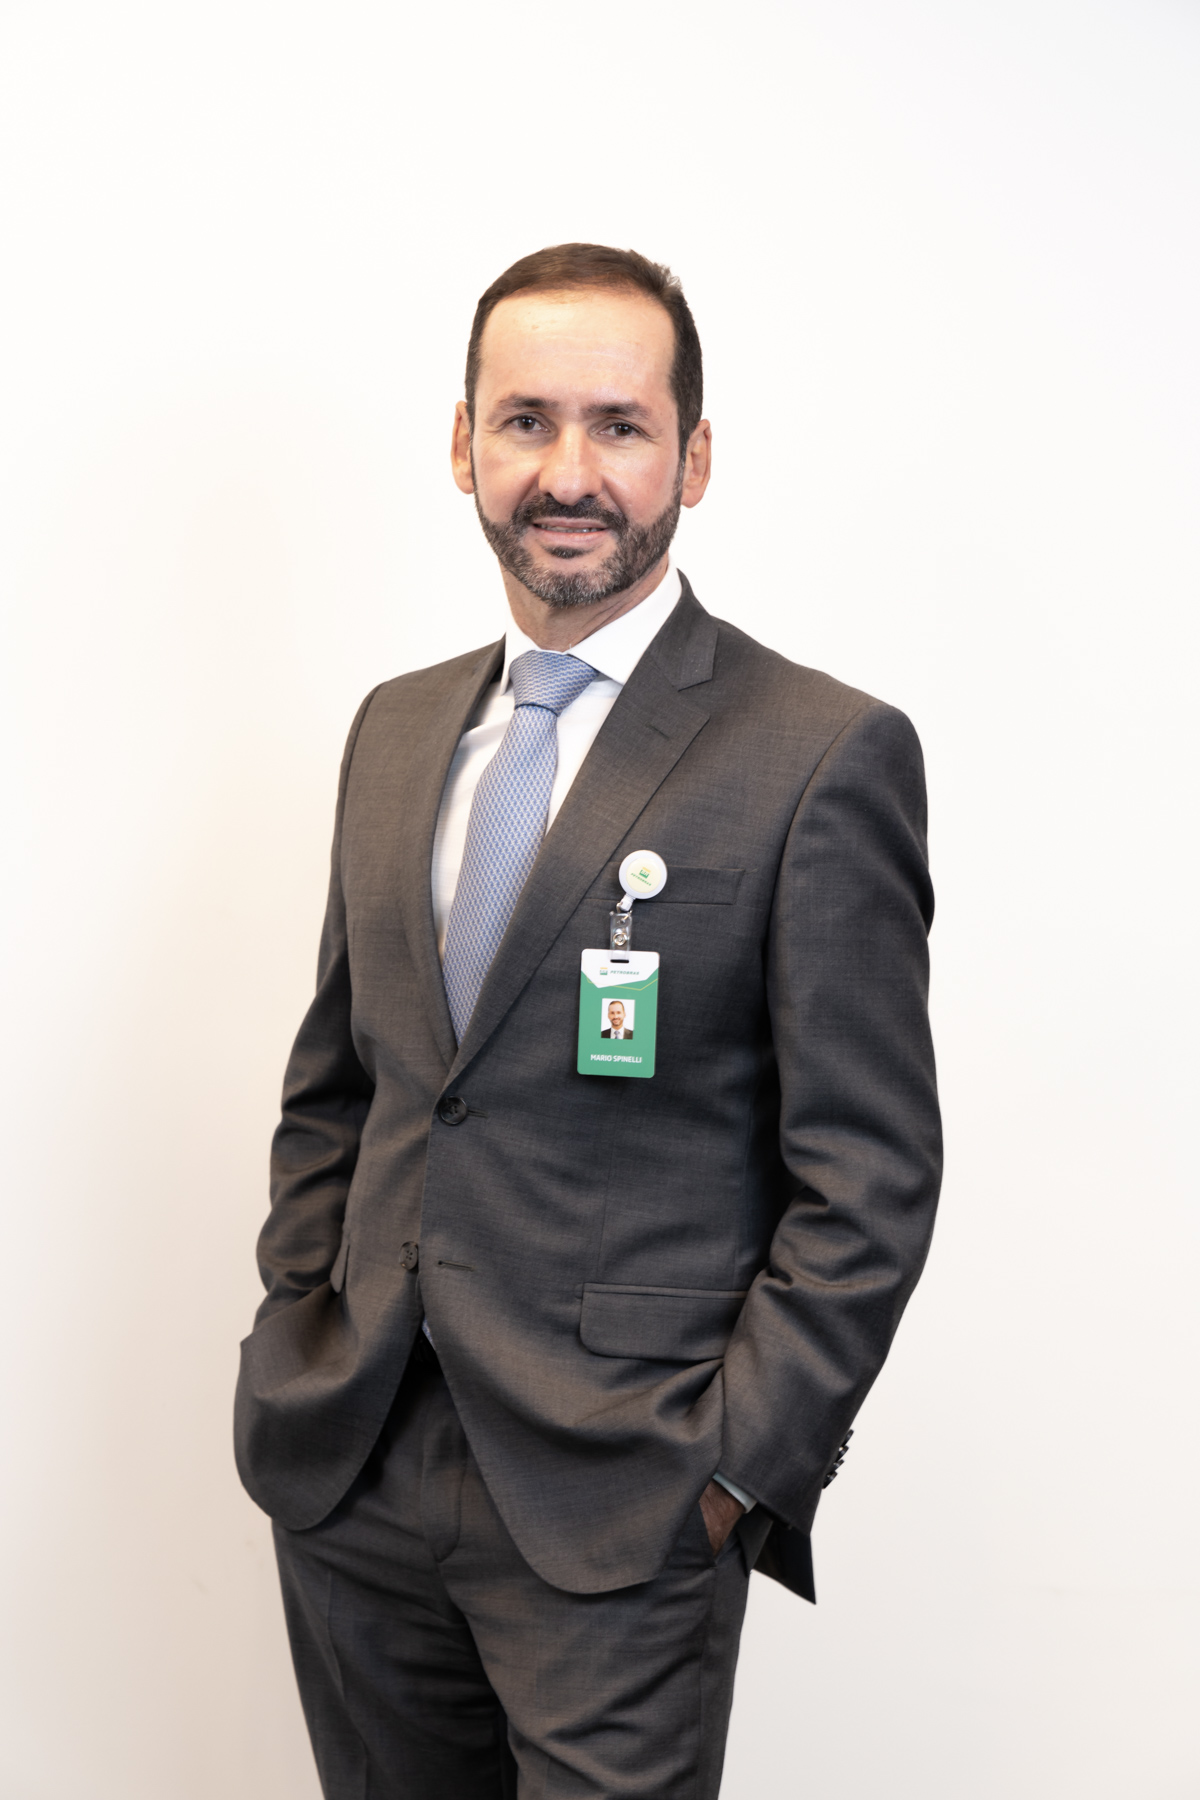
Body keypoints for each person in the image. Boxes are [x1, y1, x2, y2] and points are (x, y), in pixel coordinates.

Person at [235, 243, 942, 1799]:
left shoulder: (819, 753)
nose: (568, 473)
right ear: (464, 444)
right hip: (356, 1471)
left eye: (619, 425)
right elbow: (344, 1083)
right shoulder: (398, 728)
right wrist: (297, 1324)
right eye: (526, 421)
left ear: (695, 454)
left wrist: (734, 1472)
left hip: (625, 1504)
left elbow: (871, 1178)